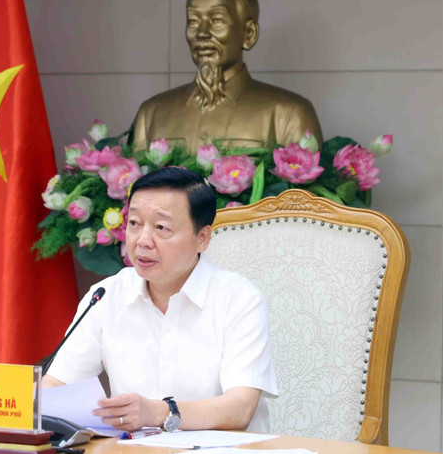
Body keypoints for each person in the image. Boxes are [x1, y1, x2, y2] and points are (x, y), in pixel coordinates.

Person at [42, 167, 277, 433]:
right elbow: (58, 386)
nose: (142, 241)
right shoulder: (106, 295)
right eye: (134, 223)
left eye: (161, 228)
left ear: (202, 238)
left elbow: (240, 409)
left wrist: (157, 412)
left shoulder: (239, 300)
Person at [132, 0, 323, 152]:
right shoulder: (151, 114)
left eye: (217, 20)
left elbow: (304, 189)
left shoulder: (290, 114)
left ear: (249, 34)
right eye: (193, 21)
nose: (202, 33)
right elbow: (134, 187)